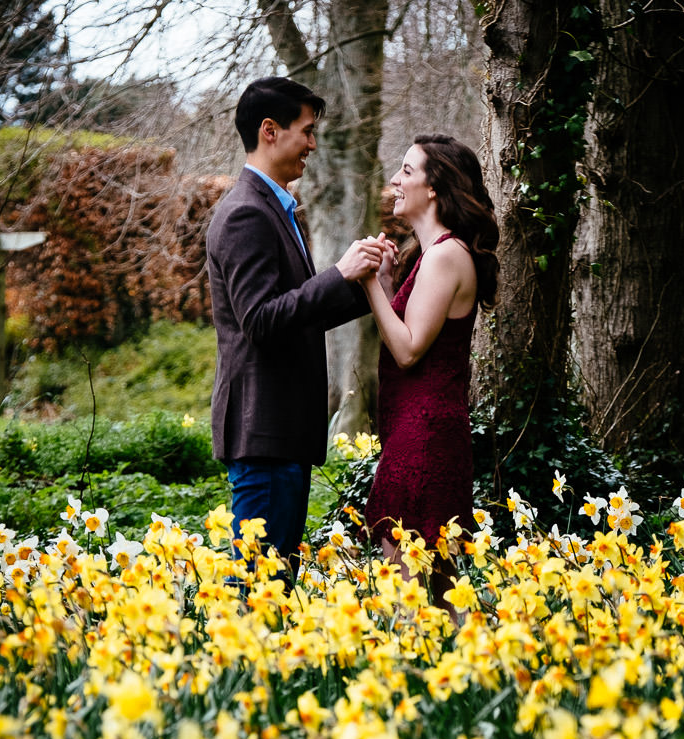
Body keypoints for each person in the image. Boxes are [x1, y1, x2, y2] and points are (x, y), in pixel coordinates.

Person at [206, 76, 382, 584]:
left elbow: (294, 313)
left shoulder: (274, 207)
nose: (311, 143)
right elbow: (260, 320)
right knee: (260, 590)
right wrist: (338, 274)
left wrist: (364, 284)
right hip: (264, 433)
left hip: (281, 433)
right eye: (306, 131)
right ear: (269, 130)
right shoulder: (245, 213)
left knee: (274, 589)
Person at [360, 134, 499, 606]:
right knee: (438, 588)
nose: (395, 181)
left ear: (435, 186)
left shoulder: (443, 255)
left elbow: (409, 350)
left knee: (409, 594)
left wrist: (367, 285)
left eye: (406, 171)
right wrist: (382, 281)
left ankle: (423, 672)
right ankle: (458, 671)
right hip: (423, 429)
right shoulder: (436, 253)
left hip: (425, 435)